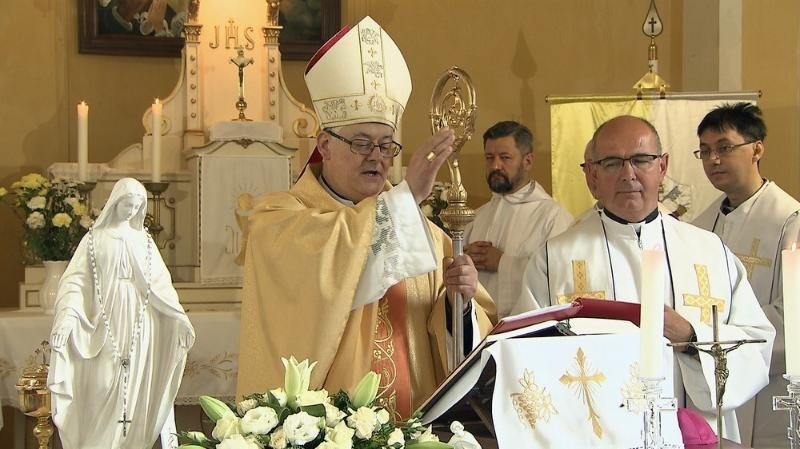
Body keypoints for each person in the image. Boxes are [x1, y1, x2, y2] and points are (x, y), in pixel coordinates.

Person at [236, 16, 495, 419]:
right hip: (326, 433)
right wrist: (408, 197)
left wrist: (457, 304)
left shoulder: (423, 233)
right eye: (361, 143)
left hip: (413, 429)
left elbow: (464, 345)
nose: (377, 156)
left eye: (387, 145)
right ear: (325, 145)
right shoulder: (278, 218)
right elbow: (325, 273)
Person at [512, 115, 775, 442]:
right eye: (612, 163)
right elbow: (524, 357)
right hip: (597, 438)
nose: (628, 174)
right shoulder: (554, 260)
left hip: (697, 437)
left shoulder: (710, 251)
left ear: (662, 166)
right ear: (592, 174)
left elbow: (757, 343)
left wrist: (692, 337)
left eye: (641, 160)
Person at [48, 178, 195, 449]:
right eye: (127, 204)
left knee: (136, 385)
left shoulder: (145, 241)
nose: (132, 210)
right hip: (104, 321)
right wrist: (66, 319)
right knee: (103, 382)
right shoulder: (94, 239)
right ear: (115, 202)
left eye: (138, 206)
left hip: (141, 321)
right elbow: (75, 282)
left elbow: (161, 284)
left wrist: (179, 317)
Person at [693, 102, 800, 449]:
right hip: (712, 380)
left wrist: (724, 339)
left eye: (724, 147)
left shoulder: (790, 221)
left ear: (757, 149)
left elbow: (793, 316)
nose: (713, 159)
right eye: (705, 150)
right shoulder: (699, 227)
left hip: (773, 386)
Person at [464, 121, 571, 317]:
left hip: (529, 330)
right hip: (477, 328)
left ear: (527, 161)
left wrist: (502, 262)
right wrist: (464, 260)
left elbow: (561, 279)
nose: (495, 166)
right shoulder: (476, 217)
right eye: (489, 157)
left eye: (505, 157)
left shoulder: (552, 217)